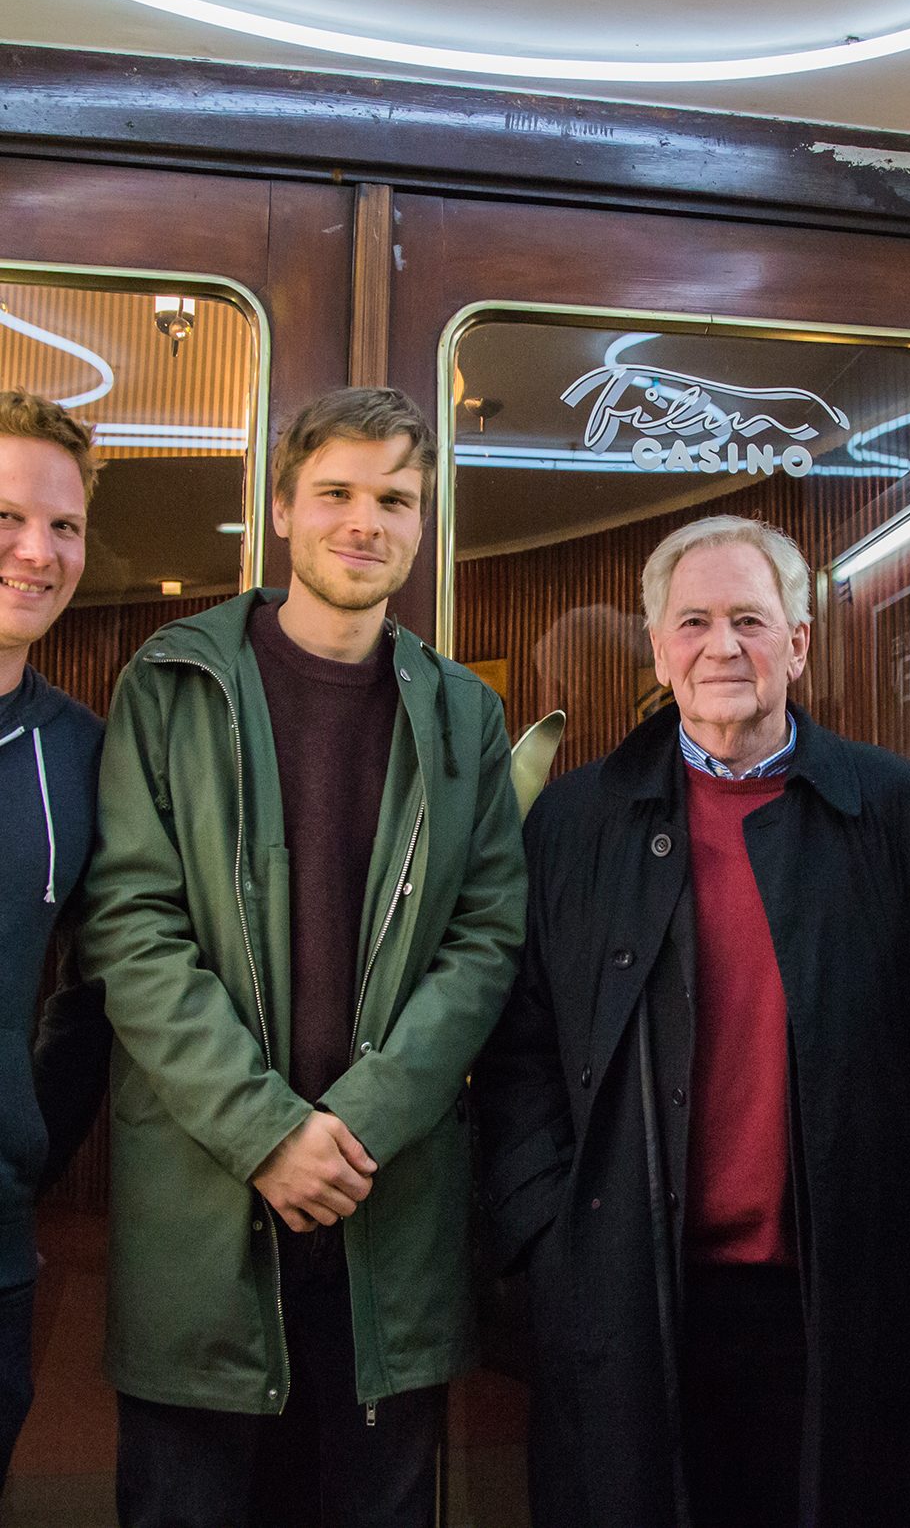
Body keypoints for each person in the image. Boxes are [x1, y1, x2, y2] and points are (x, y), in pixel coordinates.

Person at [79, 386, 526, 1528]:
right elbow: (131, 925)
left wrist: (359, 1119)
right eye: (335, 491)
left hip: (389, 1205)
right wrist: (269, 1130)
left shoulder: (464, 713)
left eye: (394, 498)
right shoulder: (168, 681)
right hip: (207, 1208)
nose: (362, 521)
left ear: (420, 526)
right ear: (282, 507)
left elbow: (483, 939)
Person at [476, 514, 910, 1528]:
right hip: (625, 1292)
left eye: (749, 617)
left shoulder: (906, 815)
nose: (721, 645)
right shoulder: (569, 824)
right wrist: (545, 1239)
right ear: (657, 647)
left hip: (832, 1300)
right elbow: (516, 1050)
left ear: (797, 640)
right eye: (692, 620)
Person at [0, 390, 103, 1484]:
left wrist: (24, 1141)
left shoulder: (78, 752)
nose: (37, 552)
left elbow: (106, 980)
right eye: (8, 518)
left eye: (64, 525)